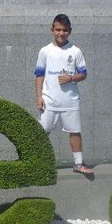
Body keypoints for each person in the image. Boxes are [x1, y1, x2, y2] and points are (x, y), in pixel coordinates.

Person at [34, 14, 93, 175]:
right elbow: (39, 75)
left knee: (75, 131)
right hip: (49, 100)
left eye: (65, 30)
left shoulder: (75, 51)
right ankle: (37, 163)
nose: (61, 33)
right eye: (58, 29)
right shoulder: (45, 51)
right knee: (42, 131)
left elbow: (84, 74)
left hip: (70, 101)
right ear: (52, 30)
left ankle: (78, 164)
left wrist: (71, 78)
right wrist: (39, 97)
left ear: (70, 31)